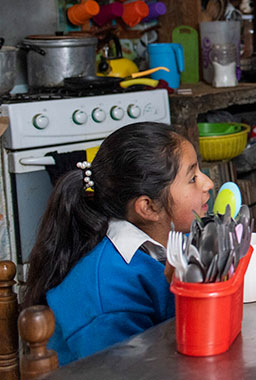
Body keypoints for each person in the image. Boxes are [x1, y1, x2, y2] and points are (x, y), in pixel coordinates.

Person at [22, 122, 214, 365]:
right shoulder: (110, 301)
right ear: (148, 207)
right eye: (192, 178)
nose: (208, 183)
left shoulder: (168, 240)